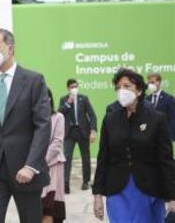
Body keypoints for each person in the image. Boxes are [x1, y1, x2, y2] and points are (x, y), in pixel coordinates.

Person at [0, 28, 51, 223]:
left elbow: (42, 126)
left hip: (24, 170)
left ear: (10, 48)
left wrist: (31, 166)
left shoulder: (34, 80)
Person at [92, 68, 175, 222]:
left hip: (148, 189)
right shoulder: (110, 120)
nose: (122, 91)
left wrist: (172, 195)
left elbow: (166, 160)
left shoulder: (156, 119)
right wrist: (97, 195)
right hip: (117, 189)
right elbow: (103, 158)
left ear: (139, 90)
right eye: (118, 87)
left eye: (127, 86)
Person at [58, 79, 97, 193]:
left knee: (85, 157)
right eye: (72, 86)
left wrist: (93, 131)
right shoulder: (64, 99)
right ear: (68, 88)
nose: (74, 88)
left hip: (82, 131)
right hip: (69, 133)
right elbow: (59, 113)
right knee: (67, 157)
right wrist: (68, 103)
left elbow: (92, 115)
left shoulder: (83, 98)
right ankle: (65, 184)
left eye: (75, 86)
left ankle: (86, 181)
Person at [41, 89, 66, 223]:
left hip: (52, 166)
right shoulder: (30, 118)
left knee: (49, 207)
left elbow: (57, 142)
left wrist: (40, 161)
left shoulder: (58, 117)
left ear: (49, 99)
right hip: (34, 170)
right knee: (37, 209)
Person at [146, 73, 175, 141]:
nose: (151, 85)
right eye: (149, 83)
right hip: (150, 136)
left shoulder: (169, 99)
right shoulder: (146, 99)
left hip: (165, 135)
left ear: (159, 82)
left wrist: (170, 137)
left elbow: (172, 119)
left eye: (153, 82)